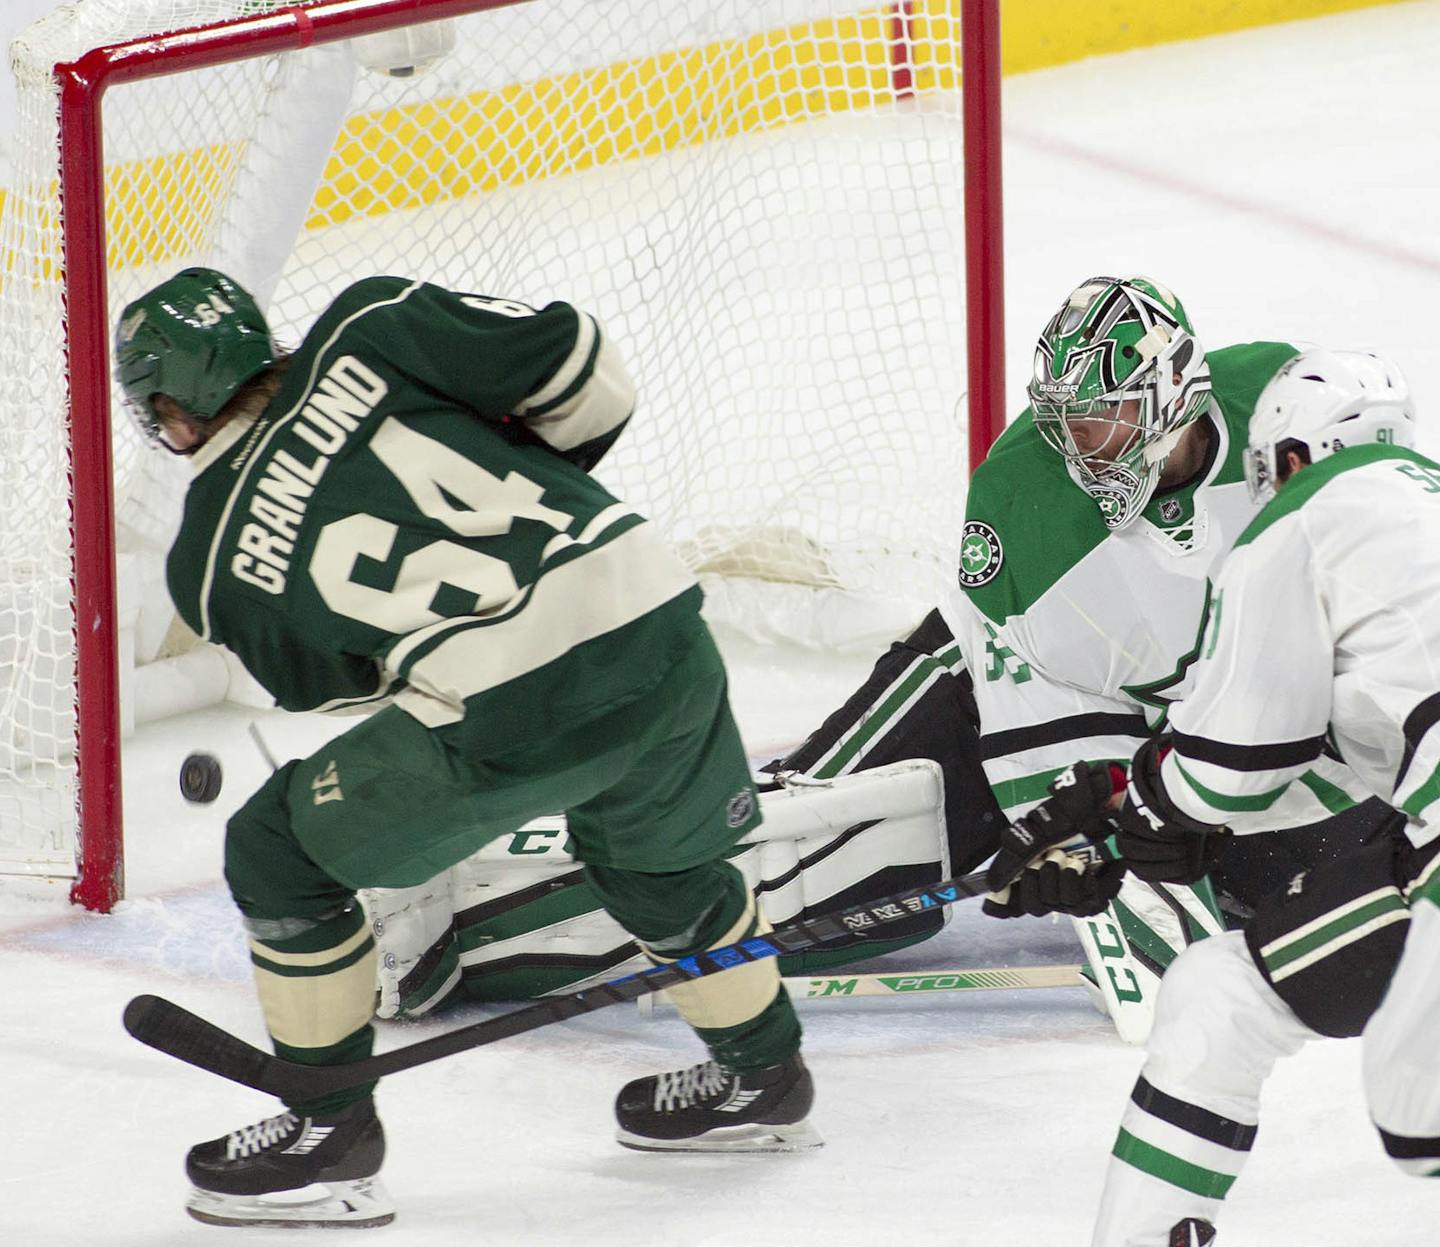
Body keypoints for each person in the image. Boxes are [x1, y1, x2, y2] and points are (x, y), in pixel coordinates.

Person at [114, 268, 819, 1229]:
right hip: (659, 619)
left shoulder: (206, 563)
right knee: (658, 863)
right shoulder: (375, 322)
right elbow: (589, 373)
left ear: (168, 409)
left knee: (278, 851)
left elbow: (342, 685)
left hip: (517, 702)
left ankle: (329, 1133)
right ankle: (762, 1073)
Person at [768, 276, 1394, 1037]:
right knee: (784, 860)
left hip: (1211, 742)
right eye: (1065, 419)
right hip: (1005, 698)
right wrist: (1079, 823)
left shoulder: (1284, 416)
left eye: (1101, 416)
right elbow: (1034, 683)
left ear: (1174, 395)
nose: (1077, 443)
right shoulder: (1027, 509)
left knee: (1338, 932)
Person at [986, 348, 1435, 1244]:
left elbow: (1237, 760)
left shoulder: (1304, 520)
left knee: (1227, 1005)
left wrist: (1127, 817)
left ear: (1297, 458)